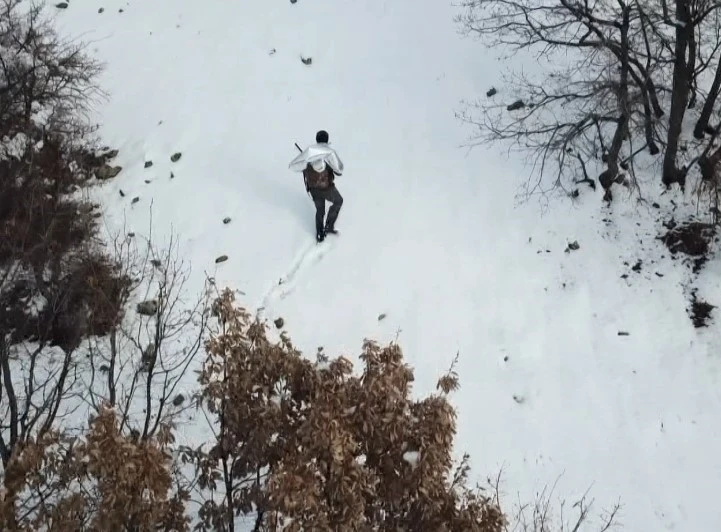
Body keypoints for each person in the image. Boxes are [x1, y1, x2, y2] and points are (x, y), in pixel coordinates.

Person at [292, 130, 344, 242]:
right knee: (338, 201)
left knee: (320, 210)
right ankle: (329, 227)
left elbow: (294, 167)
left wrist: (306, 162)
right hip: (327, 188)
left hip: (313, 189)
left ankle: (319, 234)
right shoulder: (329, 152)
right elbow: (339, 170)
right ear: (327, 139)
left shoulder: (308, 152)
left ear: (316, 139)